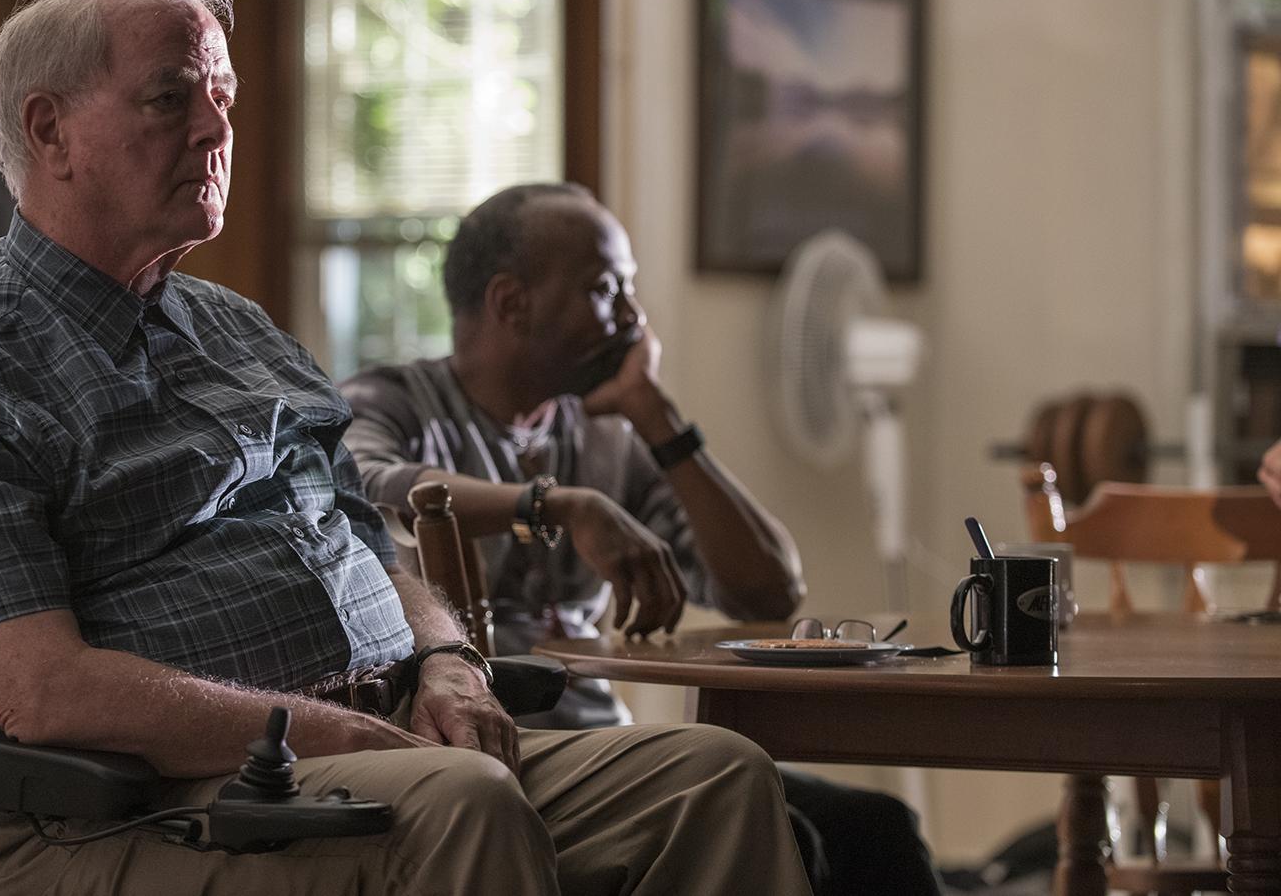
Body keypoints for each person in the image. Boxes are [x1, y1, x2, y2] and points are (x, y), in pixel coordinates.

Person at [0, 0, 812, 896]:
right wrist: (325, 733)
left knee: (713, 778)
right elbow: (47, 692)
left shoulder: (236, 329)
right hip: (125, 814)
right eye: (172, 97)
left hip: (381, 752)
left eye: (223, 94)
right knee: (465, 804)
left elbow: (380, 551)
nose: (217, 127)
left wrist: (447, 660)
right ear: (50, 132)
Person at [341, 182, 941, 896]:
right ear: (511, 302)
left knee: (879, 826)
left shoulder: (606, 437)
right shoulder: (392, 403)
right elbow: (360, 484)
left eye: (630, 289)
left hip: (610, 746)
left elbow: (769, 588)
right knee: (796, 833)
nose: (633, 316)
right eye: (606, 288)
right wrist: (557, 505)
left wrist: (657, 418)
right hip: (482, 756)